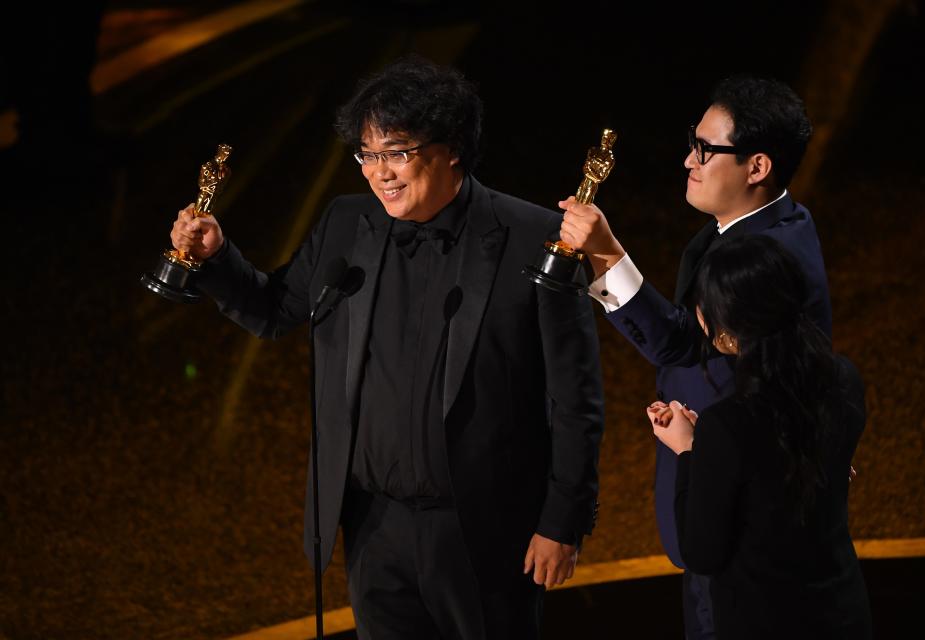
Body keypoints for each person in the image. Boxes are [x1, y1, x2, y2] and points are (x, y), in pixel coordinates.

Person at [168, 57, 604, 639]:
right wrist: (217, 258)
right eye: (367, 155)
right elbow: (275, 312)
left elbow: (577, 397)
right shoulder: (347, 224)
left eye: (396, 152)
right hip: (374, 527)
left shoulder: (531, 237)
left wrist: (562, 521)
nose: (379, 174)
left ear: (450, 148)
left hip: (484, 531)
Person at [557, 75, 831, 637]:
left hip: (738, 518)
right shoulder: (751, 229)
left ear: (757, 167)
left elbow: (682, 342)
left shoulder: (765, 257)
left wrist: (607, 252)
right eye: (692, 142)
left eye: (706, 150)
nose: (689, 160)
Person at [646, 234, 871, 639]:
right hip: (842, 611)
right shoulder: (844, 381)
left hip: (764, 620)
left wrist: (688, 450)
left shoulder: (728, 425)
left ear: (726, 335)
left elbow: (702, 552)